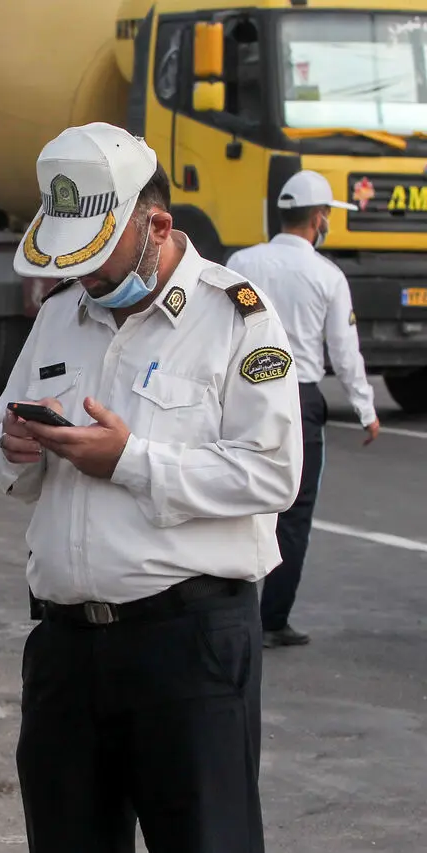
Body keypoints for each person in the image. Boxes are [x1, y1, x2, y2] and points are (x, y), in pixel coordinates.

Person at [0, 122, 303, 853]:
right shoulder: (62, 314)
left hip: (187, 646)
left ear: (156, 224)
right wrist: (15, 446)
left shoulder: (236, 318)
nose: (88, 278)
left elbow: (272, 472)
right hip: (66, 651)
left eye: (100, 259)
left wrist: (128, 460)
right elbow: (0, 452)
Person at [225, 170, 381, 648]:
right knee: (292, 509)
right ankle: (272, 620)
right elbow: (344, 350)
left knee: (231, 497)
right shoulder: (327, 276)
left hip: (243, 388)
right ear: (319, 218)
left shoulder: (241, 262)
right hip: (300, 395)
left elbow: (224, 326)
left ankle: (226, 609)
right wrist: (364, 407)